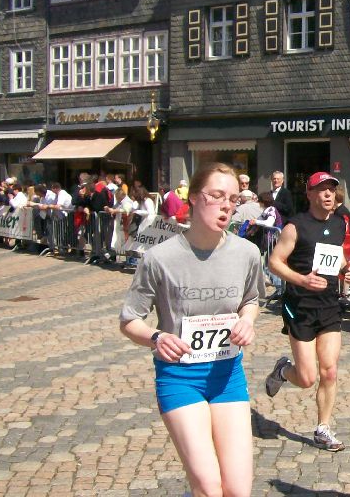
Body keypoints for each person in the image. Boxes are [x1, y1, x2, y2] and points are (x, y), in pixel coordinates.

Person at [119, 162, 263, 497]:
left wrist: (247, 320)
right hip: (180, 378)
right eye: (217, 195)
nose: (226, 205)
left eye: (233, 199)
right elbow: (129, 320)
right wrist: (157, 337)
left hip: (227, 376)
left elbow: (252, 300)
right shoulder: (159, 258)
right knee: (209, 486)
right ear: (195, 198)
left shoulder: (247, 253)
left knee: (237, 490)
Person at [265, 172, 350, 452]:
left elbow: (337, 252)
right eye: (322, 190)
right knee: (306, 378)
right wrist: (302, 280)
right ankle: (283, 370)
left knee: (329, 371)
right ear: (309, 195)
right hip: (300, 306)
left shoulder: (339, 223)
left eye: (331, 190)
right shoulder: (295, 226)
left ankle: (323, 429)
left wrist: (345, 269)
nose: (328, 194)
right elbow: (274, 262)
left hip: (328, 305)